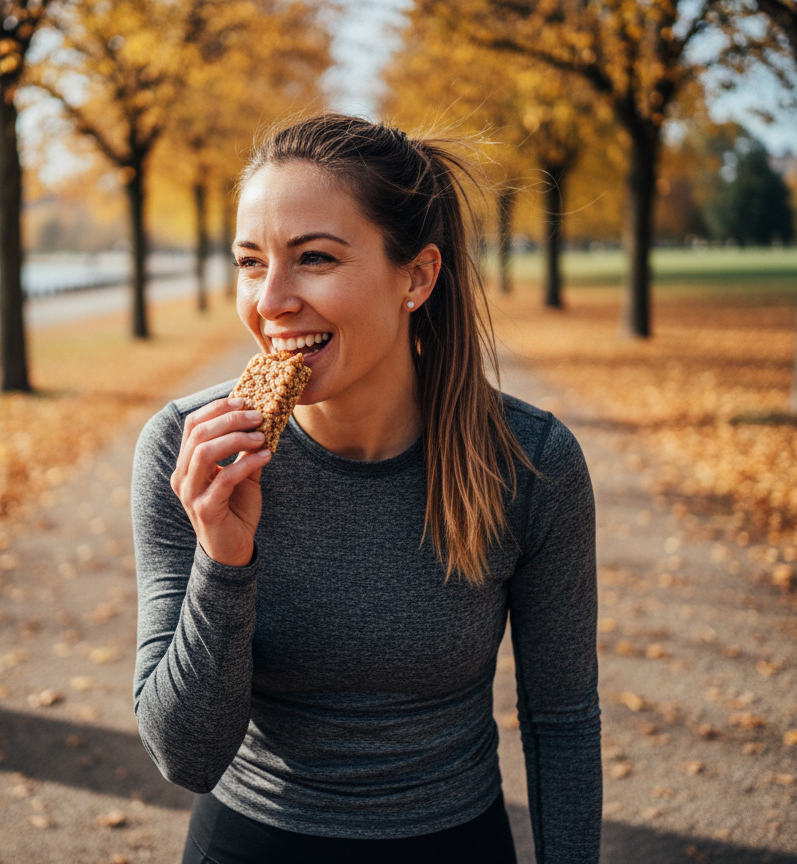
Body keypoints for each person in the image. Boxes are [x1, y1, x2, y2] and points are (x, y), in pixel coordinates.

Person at [131, 113, 601, 864]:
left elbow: (562, 719)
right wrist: (224, 561)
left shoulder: (529, 463)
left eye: (313, 258)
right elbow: (184, 757)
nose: (272, 300)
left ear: (416, 276)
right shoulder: (187, 451)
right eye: (251, 263)